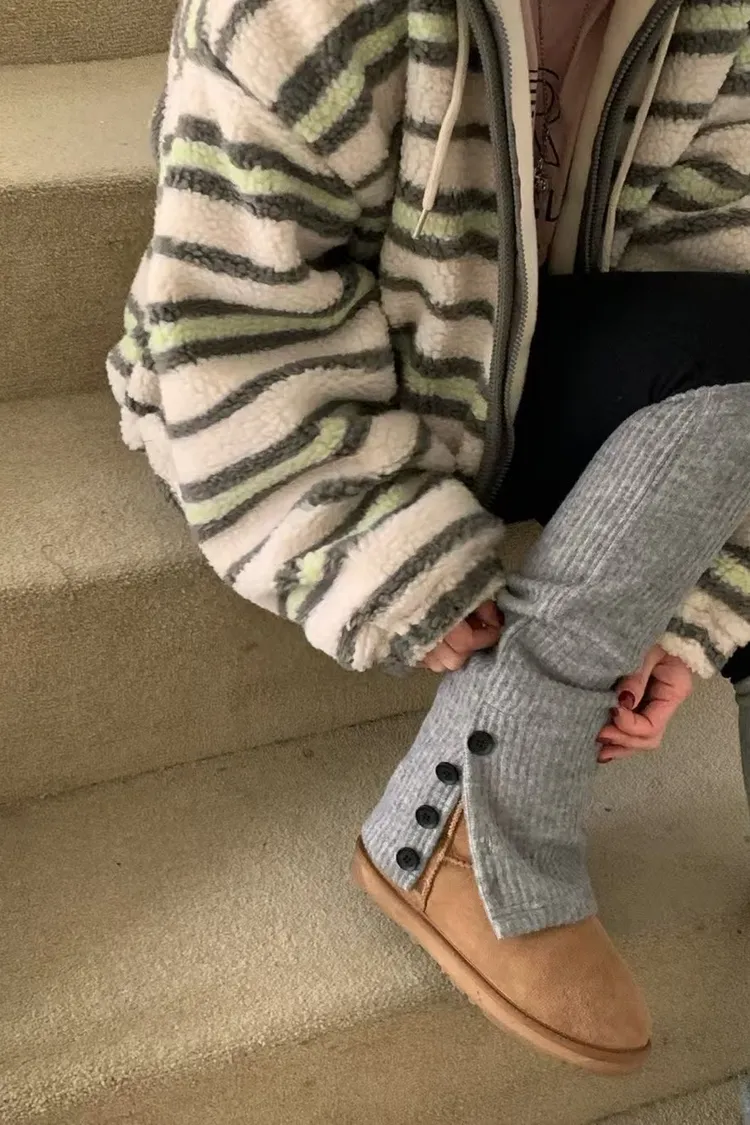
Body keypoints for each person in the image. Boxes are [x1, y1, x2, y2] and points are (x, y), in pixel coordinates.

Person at [108, 0, 750, 1076]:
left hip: (528, 366)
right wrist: (384, 558)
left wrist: (689, 610)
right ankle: (476, 804)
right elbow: (225, 327)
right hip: (311, 405)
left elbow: (713, 271)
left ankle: (479, 784)